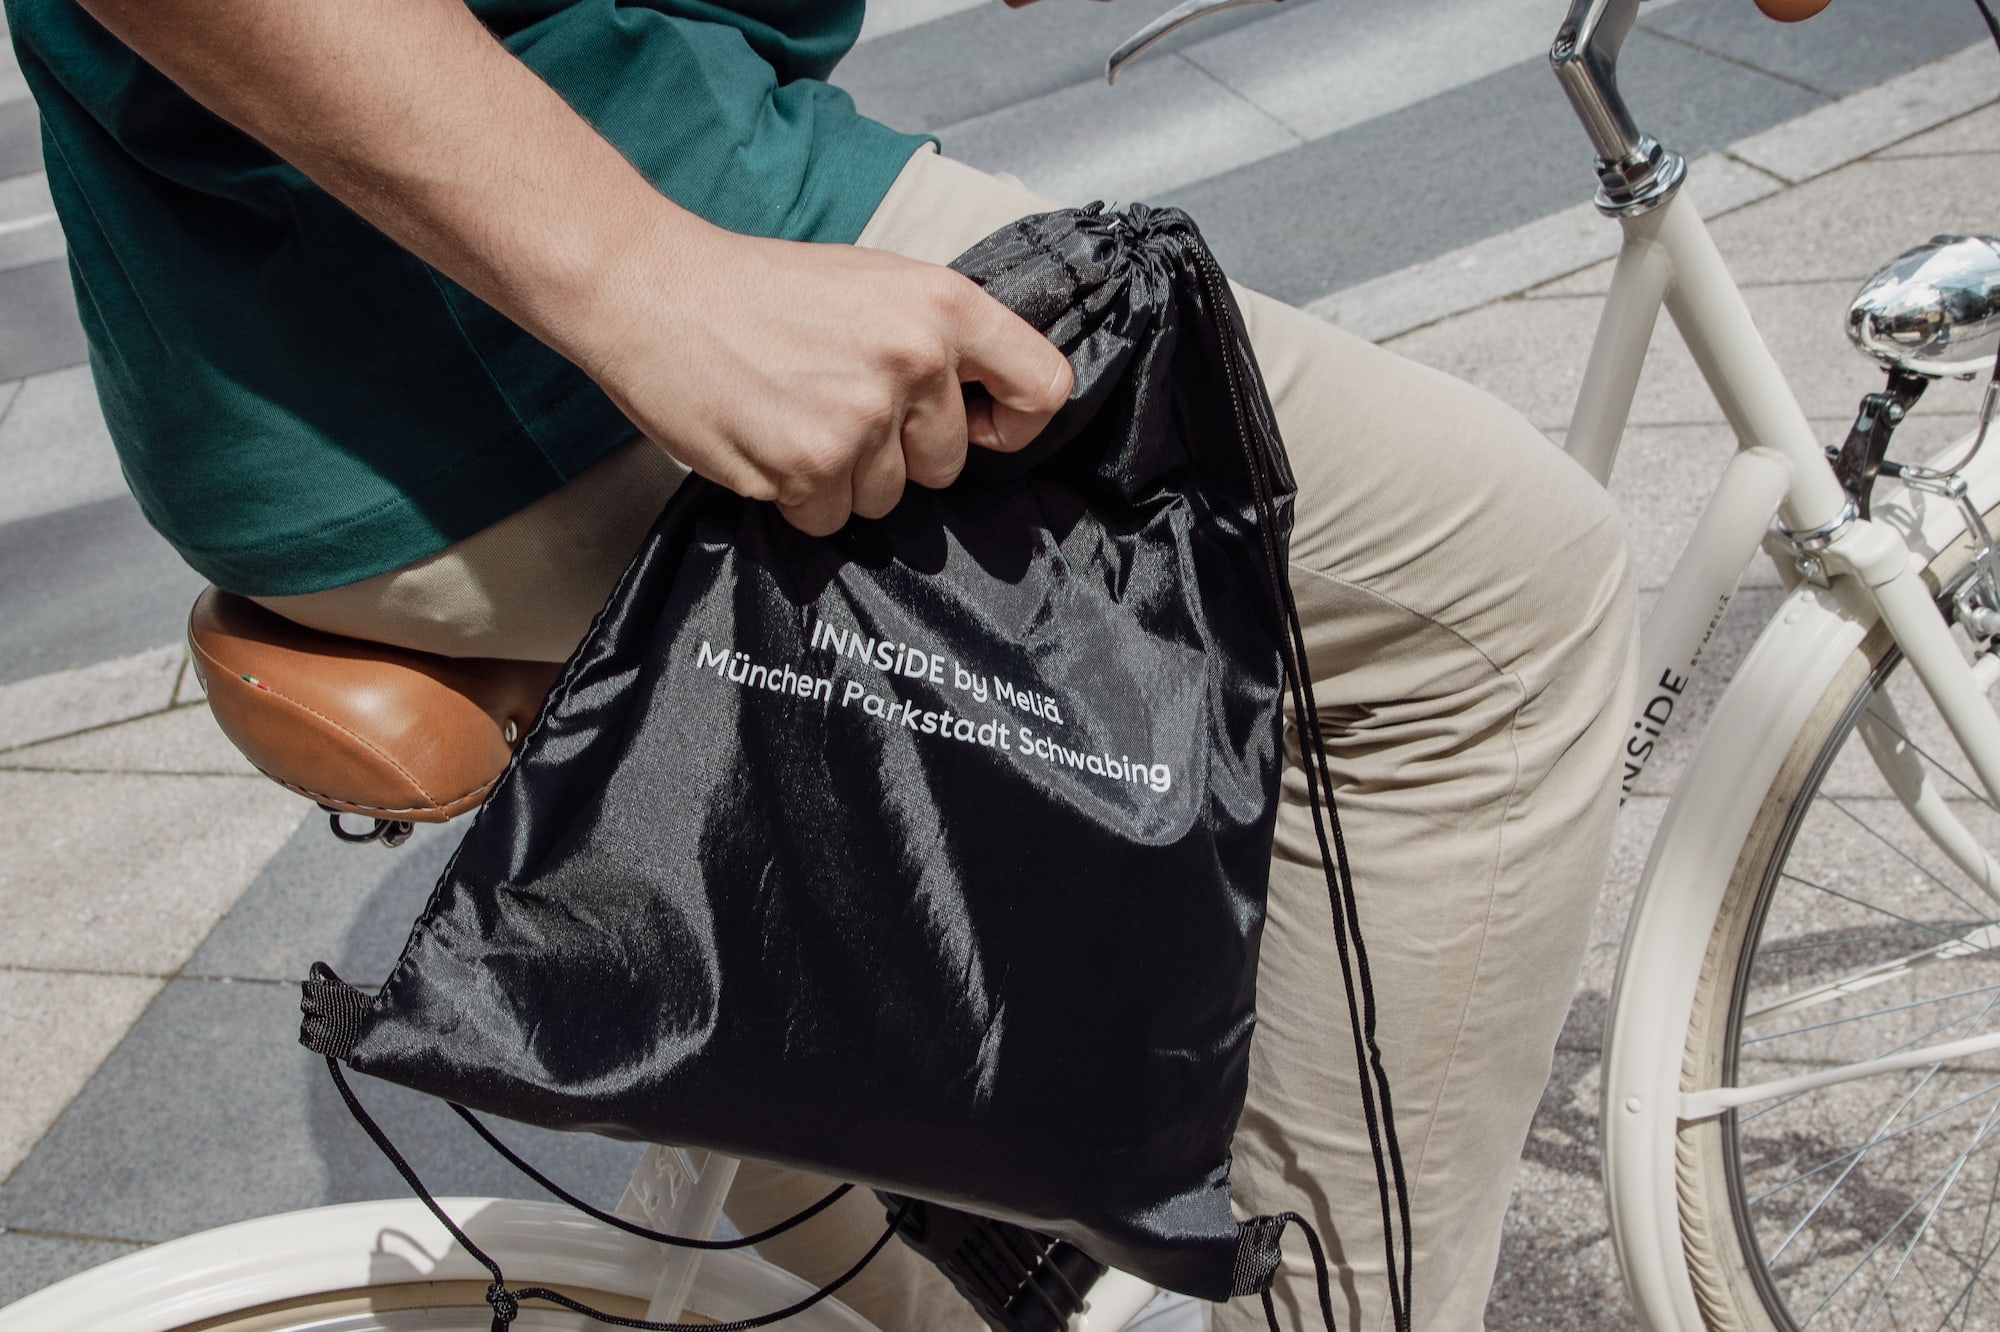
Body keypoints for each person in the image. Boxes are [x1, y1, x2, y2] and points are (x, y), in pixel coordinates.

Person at [5, 0, 1637, 1326]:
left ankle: (925, 1278)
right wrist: (638, 279)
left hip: (318, 341)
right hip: (532, 275)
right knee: (1500, 602)